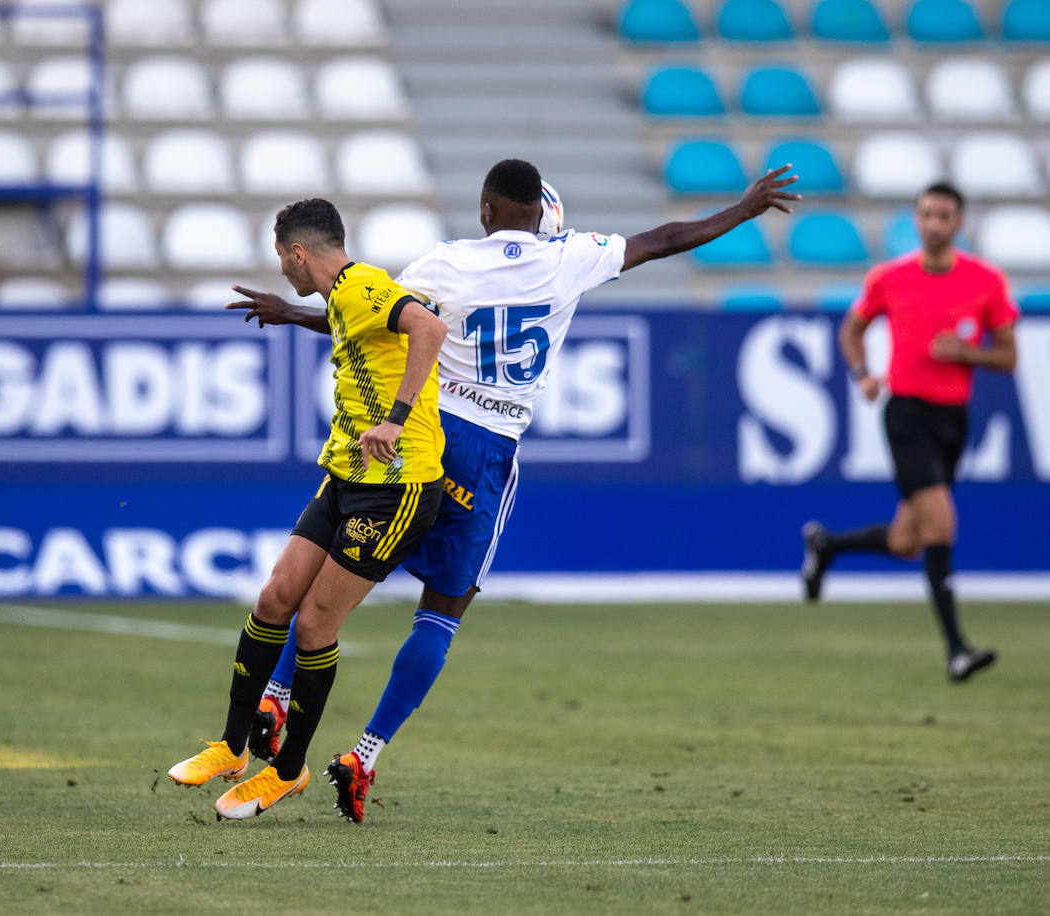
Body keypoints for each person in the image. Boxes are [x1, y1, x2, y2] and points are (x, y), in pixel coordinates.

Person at [229, 159, 802, 820]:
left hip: (427, 437)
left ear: (485, 210)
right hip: (489, 454)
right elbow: (668, 238)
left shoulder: (446, 263)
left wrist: (291, 311)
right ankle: (364, 752)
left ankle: (275, 689)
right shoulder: (571, 259)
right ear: (543, 217)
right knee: (442, 611)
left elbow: (371, 316)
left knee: (336, 570)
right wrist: (744, 207)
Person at [166, 198, 449, 820]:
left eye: (282, 262)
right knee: (274, 599)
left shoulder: (366, 285)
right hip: (347, 471)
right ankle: (232, 747)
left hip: (397, 485)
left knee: (316, 624)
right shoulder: (344, 297)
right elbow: (354, 327)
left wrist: (397, 422)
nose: (285, 272)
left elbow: (428, 328)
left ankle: (286, 772)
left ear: (298, 254)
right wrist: (292, 314)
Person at [801, 182, 1018, 683]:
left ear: (959, 223)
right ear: (916, 220)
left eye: (944, 215)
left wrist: (968, 354)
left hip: (952, 421)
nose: (934, 224)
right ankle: (958, 650)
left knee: (906, 541)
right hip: (906, 415)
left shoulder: (985, 282)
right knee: (941, 526)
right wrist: (863, 375)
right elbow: (851, 330)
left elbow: (1009, 357)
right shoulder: (889, 278)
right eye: (925, 214)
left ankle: (826, 545)